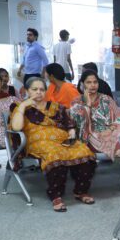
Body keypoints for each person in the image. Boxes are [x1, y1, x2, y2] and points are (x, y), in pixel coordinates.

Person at [9, 77, 97, 212]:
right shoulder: (20, 107)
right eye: (34, 89)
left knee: (85, 152)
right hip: (39, 143)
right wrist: (23, 106)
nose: (39, 92)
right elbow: (16, 127)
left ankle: (81, 191)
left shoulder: (55, 107)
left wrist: (72, 132)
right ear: (26, 91)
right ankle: (56, 195)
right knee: (55, 155)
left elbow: (69, 123)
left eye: (42, 89)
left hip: (62, 140)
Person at [70, 70, 120, 161]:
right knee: (98, 136)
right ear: (83, 84)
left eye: (95, 82)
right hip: (91, 135)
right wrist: (88, 105)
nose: (92, 85)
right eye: (89, 82)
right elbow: (80, 125)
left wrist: (110, 129)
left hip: (111, 130)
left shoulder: (106, 99)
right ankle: (119, 152)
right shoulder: (77, 102)